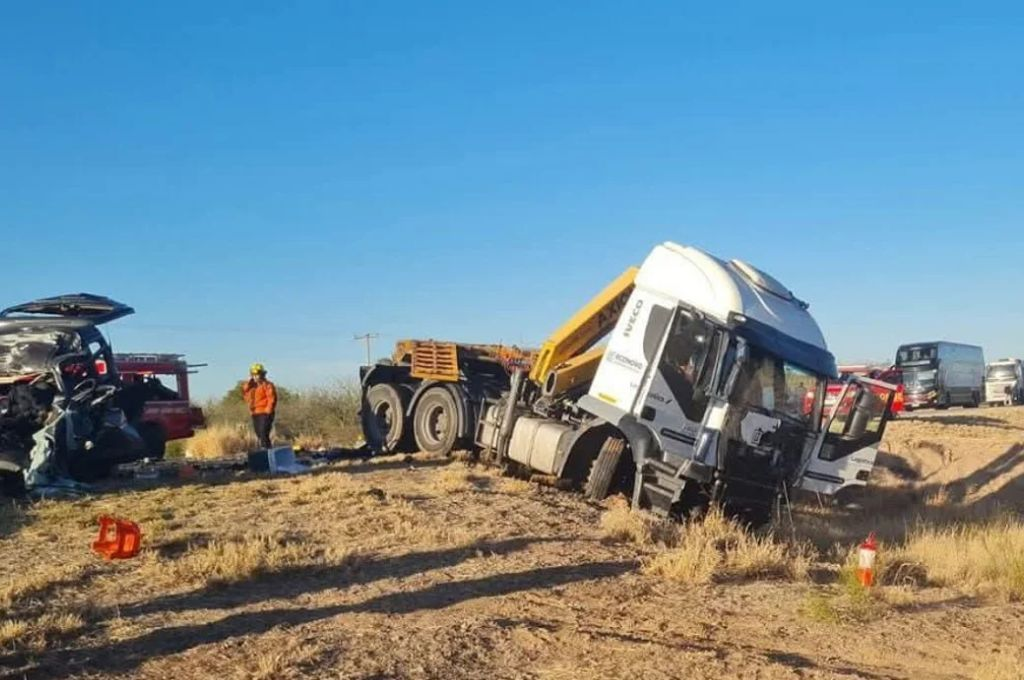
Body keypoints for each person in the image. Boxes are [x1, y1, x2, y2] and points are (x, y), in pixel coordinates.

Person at [242, 363, 277, 449]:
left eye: (257, 374)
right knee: (259, 434)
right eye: (253, 375)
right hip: (255, 413)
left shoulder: (268, 385)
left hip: (265, 413)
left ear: (262, 374)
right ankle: (268, 450)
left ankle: (265, 450)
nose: (255, 377)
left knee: (263, 432)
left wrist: (268, 411)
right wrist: (249, 385)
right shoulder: (251, 386)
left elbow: (271, 398)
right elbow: (245, 395)